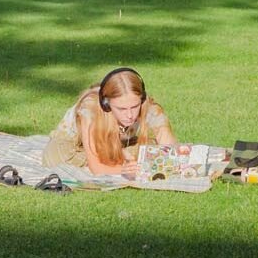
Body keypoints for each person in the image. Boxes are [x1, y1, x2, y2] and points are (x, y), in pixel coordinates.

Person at [43, 67, 177, 177]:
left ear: (141, 100)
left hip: (119, 142)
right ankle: (118, 157)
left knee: (150, 148)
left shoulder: (149, 108)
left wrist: (171, 161)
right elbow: (96, 167)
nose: (130, 115)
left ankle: (119, 155)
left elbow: (170, 151)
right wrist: (123, 170)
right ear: (106, 104)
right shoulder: (91, 109)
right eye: (121, 109)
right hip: (75, 145)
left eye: (135, 107)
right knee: (58, 158)